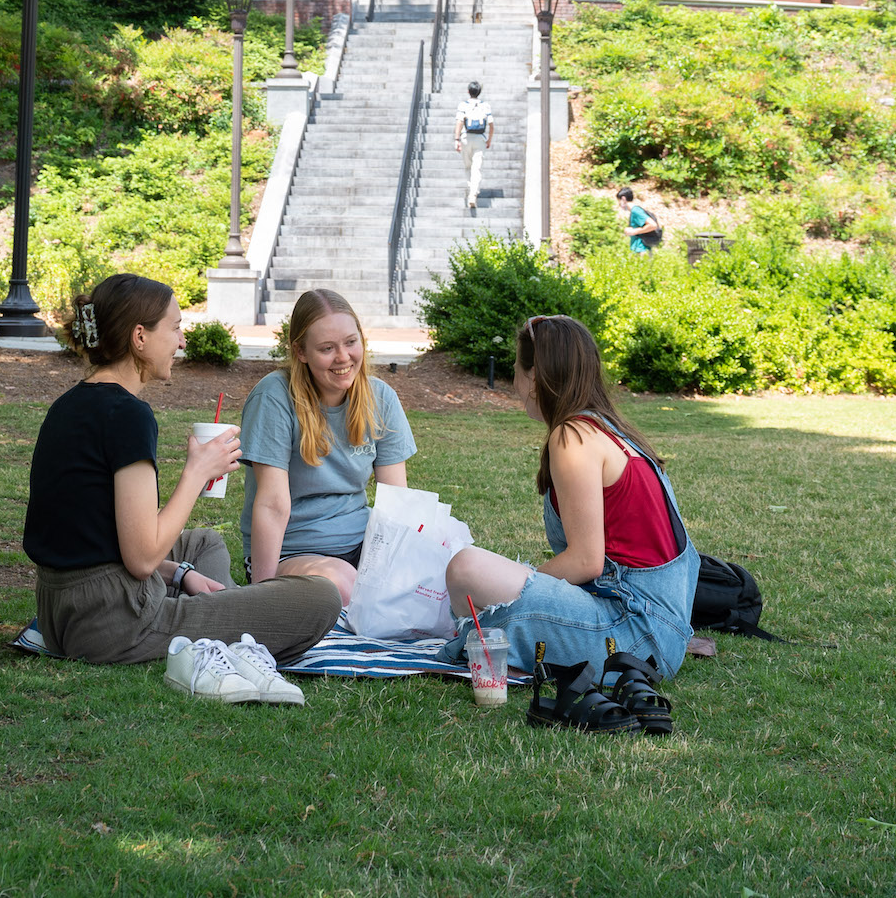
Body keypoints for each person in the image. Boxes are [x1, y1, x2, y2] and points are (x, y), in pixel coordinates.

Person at [23, 273, 342, 666]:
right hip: (117, 623)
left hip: (61, 612)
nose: (182, 341)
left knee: (203, 544)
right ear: (139, 337)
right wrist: (196, 473)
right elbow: (141, 559)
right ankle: (235, 630)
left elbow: (96, 534)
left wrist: (180, 573)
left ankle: (226, 614)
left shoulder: (70, 403)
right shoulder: (128, 415)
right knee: (320, 596)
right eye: (175, 328)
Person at [443, 314, 699, 678]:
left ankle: (471, 633)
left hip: (631, 635)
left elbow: (585, 562)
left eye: (516, 369)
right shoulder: (611, 430)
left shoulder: (572, 438)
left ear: (535, 377)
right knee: (480, 577)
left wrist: (527, 579)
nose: (514, 381)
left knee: (464, 568)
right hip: (661, 632)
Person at [240, 287, 417, 606]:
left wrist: (406, 567)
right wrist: (261, 597)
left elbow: (397, 503)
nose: (343, 357)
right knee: (345, 587)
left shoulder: (381, 398)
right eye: (326, 348)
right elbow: (272, 506)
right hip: (292, 550)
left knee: (450, 573)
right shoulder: (274, 398)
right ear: (300, 351)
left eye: (351, 342)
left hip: (362, 545)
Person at [454, 79, 494, 211]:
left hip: (466, 138)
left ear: (468, 91)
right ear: (479, 92)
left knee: (468, 166)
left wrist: (457, 139)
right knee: (477, 168)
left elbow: (459, 122)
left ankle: (472, 189)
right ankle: (473, 193)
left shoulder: (463, 105)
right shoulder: (485, 106)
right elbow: (491, 124)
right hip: (480, 139)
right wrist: (489, 139)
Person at [617, 185, 662, 253]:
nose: (619, 204)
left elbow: (653, 225)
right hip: (639, 249)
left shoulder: (636, 211)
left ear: (623, 199)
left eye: (619, 201)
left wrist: (634, 231)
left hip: (641, 250)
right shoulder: (635, 211)